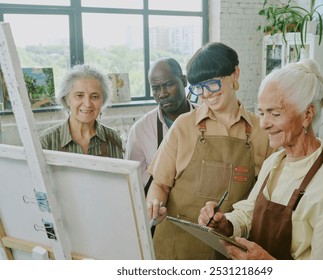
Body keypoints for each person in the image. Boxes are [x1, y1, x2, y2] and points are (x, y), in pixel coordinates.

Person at [198, 58, 323, 260]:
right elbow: (250, 212)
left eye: (275, 113)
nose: (264, 124)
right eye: (262, 112)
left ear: (307, 114)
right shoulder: (275, 162)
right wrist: (226, 223)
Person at [146, 42, 273, 259]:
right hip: (177, 249)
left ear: (235, 74)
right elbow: (159, 184)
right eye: (198, 87)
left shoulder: (262, 133)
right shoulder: (183, 126)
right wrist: (154, 206)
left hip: (229, 251)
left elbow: (263, 201)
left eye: (213, 84)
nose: (206, 94)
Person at [124, 58, 196, 193]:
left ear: (184, 81)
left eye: (169, 84)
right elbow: (135, 184)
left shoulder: (207, 120)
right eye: (156, 89)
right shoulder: (140, 131)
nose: (163, 94)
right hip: (159, 209)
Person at [40, 64, 123, 159]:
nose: (87, 104)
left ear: (102, 101)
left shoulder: (113, 138)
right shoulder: (46, 142)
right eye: (79, 95)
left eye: (94, 96)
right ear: (67, 99)